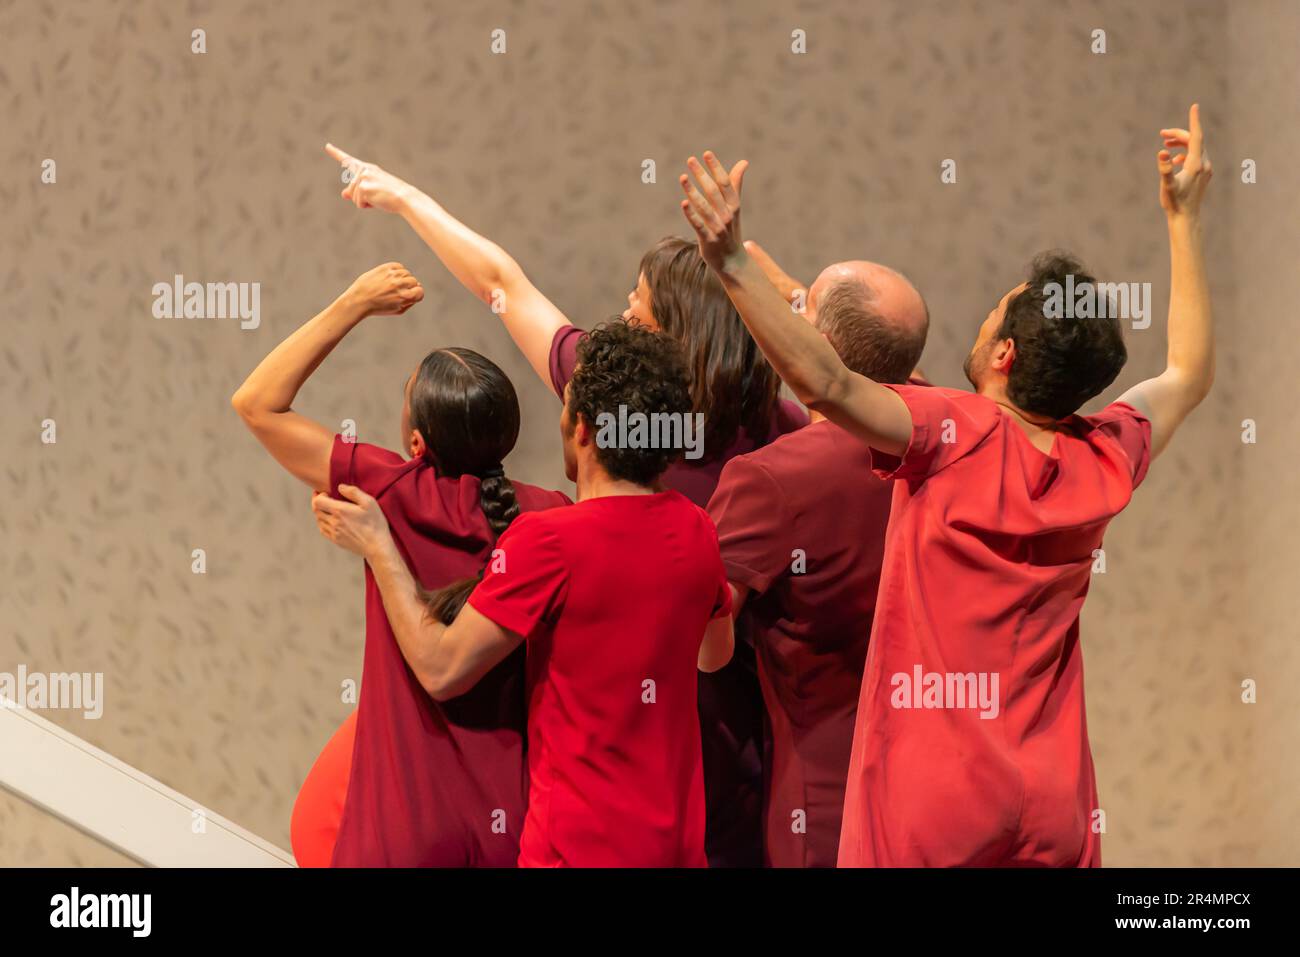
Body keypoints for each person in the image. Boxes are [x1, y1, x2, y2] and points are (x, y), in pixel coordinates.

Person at [677, 104, 1214, 867]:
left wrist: (726, 260)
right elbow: (1188, 373)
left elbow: (828, 382)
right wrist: (1185, 220)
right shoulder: (1106, 455)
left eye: (995, 310)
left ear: (1004, 353)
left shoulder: (946, 434)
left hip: (939, 799)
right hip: (1057, 801)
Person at [322, 143, 797, 865]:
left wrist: (404, 198)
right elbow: (714, 648)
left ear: (582, 422)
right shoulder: (759, 459)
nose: (620, 318)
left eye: (635, 310)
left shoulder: (560, 519)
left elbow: (499, 283)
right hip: (694, 797)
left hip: (589, 824)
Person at [311, 321, 735, 866]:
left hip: (577, 849)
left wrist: (379, 547)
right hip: (676, 845)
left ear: (581, 427)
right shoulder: (698, 529)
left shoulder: (549, 540)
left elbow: (442, 668)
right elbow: (713, 655)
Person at [231, 263, 570, 866]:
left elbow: (257, 403)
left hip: (400, 831)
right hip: (508, 831)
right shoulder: (548, 516)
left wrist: (354, 303)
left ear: (417, 445)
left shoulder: (391, 490)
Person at [706, 259, 929, 867]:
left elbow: (706, 644)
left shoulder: (770, 478)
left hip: (825, 805)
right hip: (938, 789)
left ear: (819, 347)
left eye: (798, 315)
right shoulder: (947, 440)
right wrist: (799, 301)